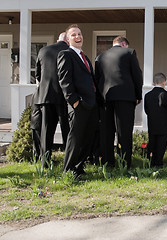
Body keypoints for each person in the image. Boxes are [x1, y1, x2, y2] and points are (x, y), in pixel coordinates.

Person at [95, 35, 143, 168]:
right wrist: (138, 95)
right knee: (124, 131)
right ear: (124, 44)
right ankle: (124, 163)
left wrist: (99, 98)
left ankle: (107, 162)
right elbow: (137, 75)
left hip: (105, 98)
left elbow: (97, 79)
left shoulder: (100, 57)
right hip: (125, 97)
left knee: (106, 132)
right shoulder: (130, 52)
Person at [58, 24, 99, 176]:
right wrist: (74, 101)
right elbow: (64, 80)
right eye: (74, 35)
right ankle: (68, 170)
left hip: (91, 104)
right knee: (75, 139)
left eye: (79, 34)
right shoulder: (66, 54)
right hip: (78, 104)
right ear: (68, 40)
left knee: (87, 139)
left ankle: (79, 168)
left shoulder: (85, 57)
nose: (78, 37)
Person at [34, 32, 70, 165]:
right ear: (67, 40)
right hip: (63, 97)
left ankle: (45, 161)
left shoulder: (43, 50)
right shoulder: (69, 51)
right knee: (67, 130)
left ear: (57, 40)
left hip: (46, 96)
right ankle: (68, 161)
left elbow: (38, 75)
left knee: (46, 130)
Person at [144, 73, 167, 167]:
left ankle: (151, 162)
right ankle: (159, 162)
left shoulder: (148, 95)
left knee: (152, 143)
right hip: (164, 124)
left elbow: (146, 109)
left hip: (152, 123)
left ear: (154, 83)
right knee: (161, 145)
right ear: (164, 82)